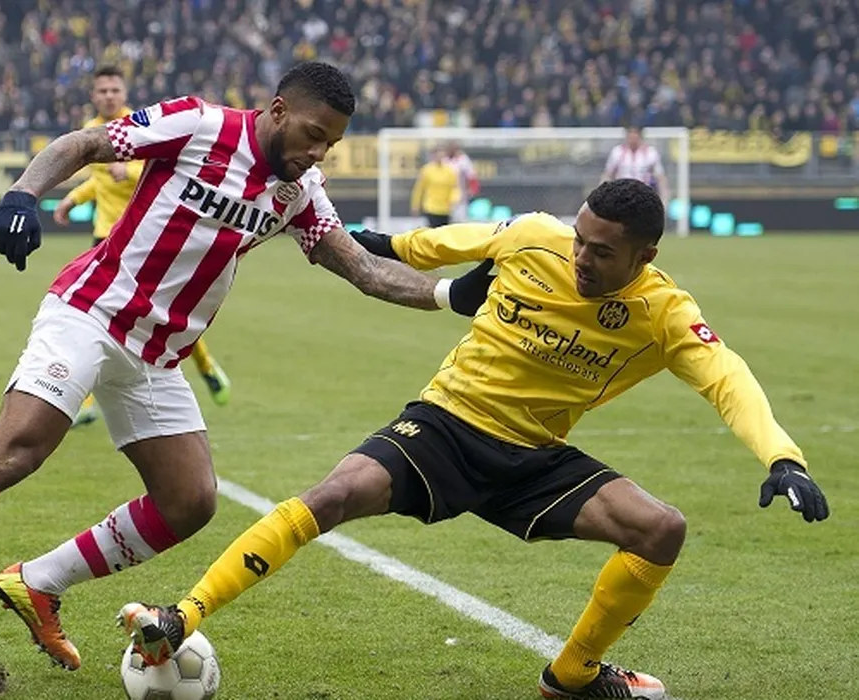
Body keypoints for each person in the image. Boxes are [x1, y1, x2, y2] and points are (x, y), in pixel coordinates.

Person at [0, 61, 492, 700]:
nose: (318, 152)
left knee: (189, 501)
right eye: (313, 134)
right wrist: (22, 194)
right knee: (18, 447)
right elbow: (84, 144)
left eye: (332, 143)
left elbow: (362, 268)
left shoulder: (299, 192)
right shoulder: (199, 125)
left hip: (157, 354)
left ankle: (38, 582)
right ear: (277, 111)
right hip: (91, 314)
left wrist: (448, 294)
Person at [116, 179, 829, 700]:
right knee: (333, 494)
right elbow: (430, 245)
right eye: (579, 238)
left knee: (661, 529)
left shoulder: (664, 313)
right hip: (444, 427)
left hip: (536, 460)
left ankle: (573, 676)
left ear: (645, 254)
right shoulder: (534, 238)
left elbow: (727, 379)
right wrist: (350, 239)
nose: (581, 256)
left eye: (602, 252)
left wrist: (783, 457)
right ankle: (180, 618)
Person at [53, 66, 232, 425]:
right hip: (106, 236)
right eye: (102, 90)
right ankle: (86, 400)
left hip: (145, 237)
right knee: (94, 313)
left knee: (159, 313)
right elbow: (99, 181)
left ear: (124, 93)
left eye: (114, 90)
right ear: (93, 96)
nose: (108, 96)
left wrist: (131, 171)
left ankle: (206, 366)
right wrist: (73, 199)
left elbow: (168, 171)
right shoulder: (92, 132)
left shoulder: (144, 126)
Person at [601, 126, 669, 206]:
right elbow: (608, 174)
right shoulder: (618, 152)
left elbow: (660, 177)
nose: (633, 139)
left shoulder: (650, 152)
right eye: (630, 136)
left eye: (635, 136)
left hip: (643, 193)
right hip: (622, 193)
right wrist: (602, 194)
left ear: (640, 137)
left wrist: (664, 198)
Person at [409, 147, 461, 228]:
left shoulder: (450, 171)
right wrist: (415, 205)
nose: (439, 157)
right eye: (437, 155)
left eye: (441, 155)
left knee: (444, 231)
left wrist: (454, 198)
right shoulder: (427, 170)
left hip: (445, 208)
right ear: (433, 156)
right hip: (431, 207)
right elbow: (419, 189)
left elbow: (455, 188)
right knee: (433, 231)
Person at [445, 141, 480, 223]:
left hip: (460, 194)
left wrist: (472, 189)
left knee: (460, 219)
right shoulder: (444, 160)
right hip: (444, 195)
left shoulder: (463, 160)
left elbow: (471, 176)